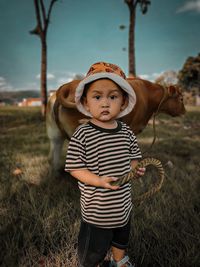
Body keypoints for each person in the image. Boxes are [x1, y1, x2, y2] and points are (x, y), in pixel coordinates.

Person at [65, 62, 145, 267]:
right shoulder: (83, 134)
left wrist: (136, 169)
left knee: (121, 237)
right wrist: (98, 181)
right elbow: (75, 168)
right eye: (97, 96)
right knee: (94, 249)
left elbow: (134, 157)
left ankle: (119, 261)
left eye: (113, 96)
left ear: (123, 101)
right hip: (97, 211)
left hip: (122, 205)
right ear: (86, 101)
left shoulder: (126, 131)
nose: (105, 103)